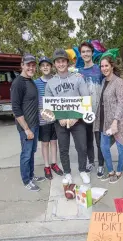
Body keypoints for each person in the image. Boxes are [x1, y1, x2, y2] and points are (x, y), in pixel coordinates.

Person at [45, 48, 90, 184]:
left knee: (82, 147)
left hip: (78, 120)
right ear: (55, 64)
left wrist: (77, 117)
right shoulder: (50, 83)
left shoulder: (77, 78)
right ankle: (67, 172)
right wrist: (59, 119)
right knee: (63, 149)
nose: (61, 64)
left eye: (63, 61)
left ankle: (82, 170)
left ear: (67, 62)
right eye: (58, 61)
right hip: (61, 122)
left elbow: (86, 98)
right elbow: (49, 107)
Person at [95, 55, 123, 184]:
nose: (104, 68)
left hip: (118, 121)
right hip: (105, 121)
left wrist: (115, 122)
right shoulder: (103, 81)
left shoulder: (118, 82)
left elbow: (121, 103)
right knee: (103, 146)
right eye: (102, 66)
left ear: (112, 66)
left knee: (120, 147)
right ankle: (110, 171)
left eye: (106, 65)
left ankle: (119, 171)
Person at [11, 53, 45, 192]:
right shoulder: (18, 83)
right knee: (26, 154)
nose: (31, 67)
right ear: (22, 65)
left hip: (34, 124)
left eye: (33, 65)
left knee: (31, 152)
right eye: (28, 65)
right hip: (26, 127)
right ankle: (26, 181)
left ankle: (31, 175)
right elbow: (16, 109)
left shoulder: (30, 81)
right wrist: (26, 129)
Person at [78, 41, 104, 178]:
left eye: (88, 51)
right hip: (85, 112)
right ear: (81, 54)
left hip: (99, 111)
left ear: (92, 53)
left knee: (99, 141)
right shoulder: (79, 72)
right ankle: (91, 161)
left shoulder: (100, 70)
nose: (86, 54)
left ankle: (101, 164)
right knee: (88, 140)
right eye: (83, 51)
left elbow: (110, 81)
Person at [34, 56, 63, 180]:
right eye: (43, 65)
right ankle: (46, 166)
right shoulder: (35, 83)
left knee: (54, 142)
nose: (45, 67)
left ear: (51, 67)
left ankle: (54, 163)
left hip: (56, 118)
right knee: (45, 143)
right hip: (43, 119)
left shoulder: (56, 80)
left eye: (47, 65)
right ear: (40, 68)